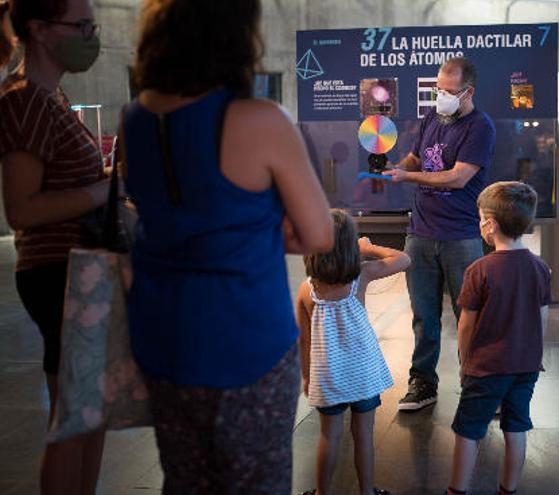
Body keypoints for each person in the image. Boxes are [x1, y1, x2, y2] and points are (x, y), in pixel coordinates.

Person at [122, 0, 333, 492]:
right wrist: (258, 226)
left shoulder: (135, 118)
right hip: (246, 343)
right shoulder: (261, 120)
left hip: (162, 341)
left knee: (185, 479)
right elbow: (318, 235)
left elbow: (163, 212)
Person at [0, 0, 110, 492]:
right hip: (58, 272)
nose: (89, 35)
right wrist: (105, 189)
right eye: (80, 26)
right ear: (40, 30)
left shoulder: (52, 96)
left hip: (80, 271)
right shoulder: (26, 98)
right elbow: (21, 209)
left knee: (89, 419)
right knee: (73, 424)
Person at [383, 56, 497, 411]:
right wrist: (398, 167)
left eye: (449, 91)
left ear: (468, 91)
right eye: (438, 88)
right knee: (423, 314)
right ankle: (422, 383)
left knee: (472, 314)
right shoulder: (433, 117)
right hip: (420, 232)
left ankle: (477, 384)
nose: (442, 96)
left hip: (461, 235)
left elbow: (458, 177)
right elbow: (418, 158)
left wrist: (408, 178)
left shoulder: (481, 127)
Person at [295, 209, 410, 495]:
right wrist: (367, 248)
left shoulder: (305, 291)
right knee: (363, 437)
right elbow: (404, 259)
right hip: (364, 376)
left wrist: (307, 377)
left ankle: (322, 493)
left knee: (328, 437)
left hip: (328, 376)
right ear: (349, 245)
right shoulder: (361, 275)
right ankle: (367, 492)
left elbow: (304, 341)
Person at [445, 181, 550, 495]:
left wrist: (465, 361)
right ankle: (509, 489)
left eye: (480, 218)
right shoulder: (540, 268)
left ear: (489, 225)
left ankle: (457, 490)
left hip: (486, 366)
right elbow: (542, 318)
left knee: (468, 430)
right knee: (516, 427)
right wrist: (533, 353)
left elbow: (466, 324)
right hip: (526, 366)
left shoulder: (479, 270)